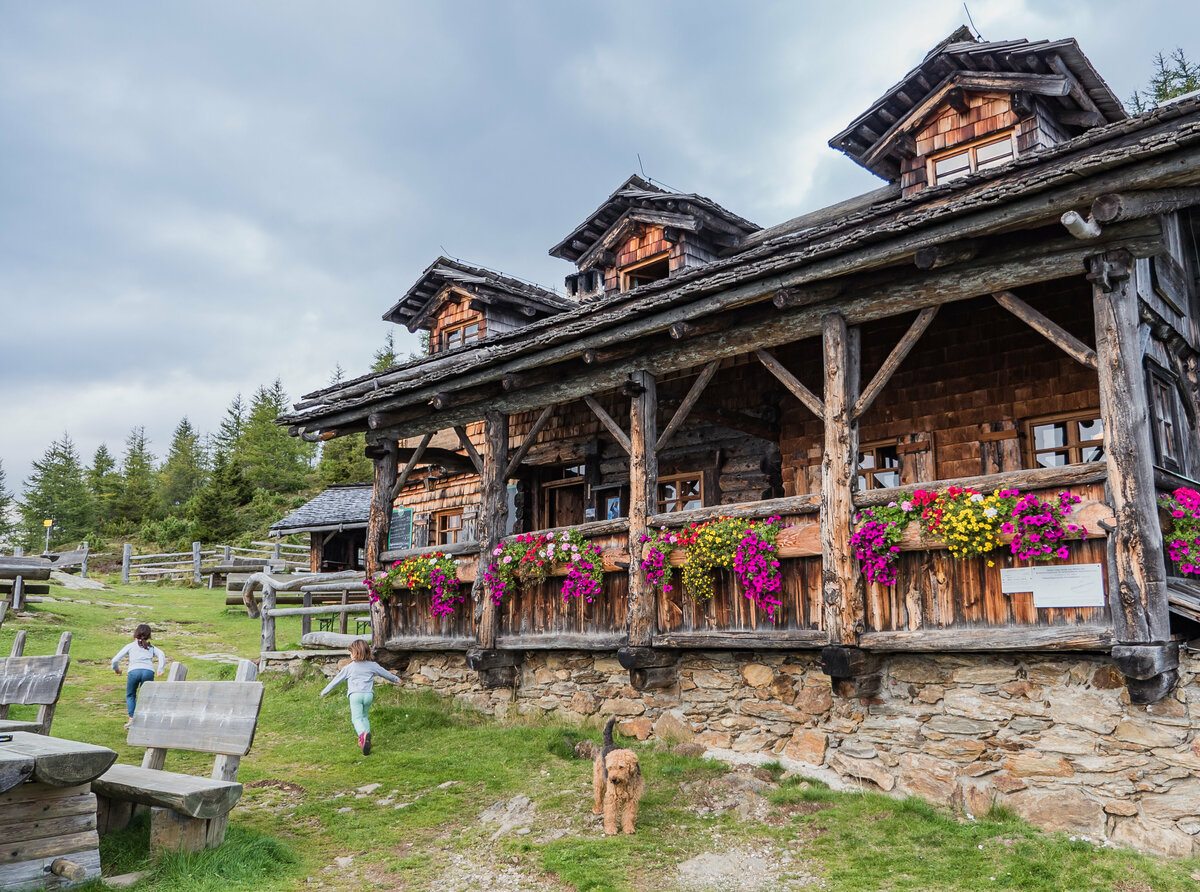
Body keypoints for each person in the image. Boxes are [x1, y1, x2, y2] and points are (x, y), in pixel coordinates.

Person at [320, 639, 400, 754]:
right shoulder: (373, 665)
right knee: (364, 717)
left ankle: (362, 735)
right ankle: (367, 740)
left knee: (356, 719)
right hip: (368, 695)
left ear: (356, 654)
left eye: (351, 652)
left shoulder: (349, 668)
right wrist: (396, 679)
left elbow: (336, 681)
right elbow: (385, 673)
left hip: (355, 695)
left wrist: (324, 692)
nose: (350, 655)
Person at [111, 623, 165, 729]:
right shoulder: (151, 647)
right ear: (149, 635)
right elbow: (161, 654)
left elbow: (115, 659)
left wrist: (116, 669)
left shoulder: (130, 646)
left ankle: (132, 718)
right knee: (147, 696)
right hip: (148, 671)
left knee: (131, 695)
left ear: (135, 634)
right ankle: (146, 719)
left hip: (134, 671)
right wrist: (160, 668)